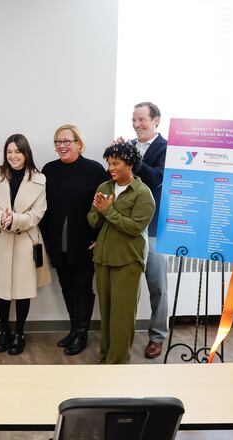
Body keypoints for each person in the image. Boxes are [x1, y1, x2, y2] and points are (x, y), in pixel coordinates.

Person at [0, 134, 51, 356]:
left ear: (26, 153)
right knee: (1, 289)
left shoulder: (39, 179)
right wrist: (1, 218)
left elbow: (38, 213)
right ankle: (4, 331)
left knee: (23, 289)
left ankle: (19, 332)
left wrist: (15, 220)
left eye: (18, 151)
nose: (13, 156)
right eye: (9, 152)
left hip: (25, 239)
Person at [40, 124, 109, 356]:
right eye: (58, 142)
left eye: (67, 141)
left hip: (85, 241)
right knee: (67, 287)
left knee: (83, 288)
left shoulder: (95, 170)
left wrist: (101, 238)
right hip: (57, 242)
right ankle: (73, 329)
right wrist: (45, 240)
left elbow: (107, 207)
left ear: (79, 143)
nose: (62, 146)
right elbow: (43, 208)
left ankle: (82, 333)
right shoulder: (49, 170)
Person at [88, 142, 155, 364]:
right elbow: (92, 221)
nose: (111, 168)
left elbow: (135, 227)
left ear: (131, 164)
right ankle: (105, 357)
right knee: (106, 314)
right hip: (103, 259)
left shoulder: (143, 194)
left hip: (128, 261)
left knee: (122, 317)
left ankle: (117, 364)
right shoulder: (104, 187)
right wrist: (98, 212)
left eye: (116, 163)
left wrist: (109, 211)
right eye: (109, 163)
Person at [114, 102, 169, 359]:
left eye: (142, 120)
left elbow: (156, 179)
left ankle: (157, 337)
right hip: (129, 228)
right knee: (127, 286)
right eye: (134, 120)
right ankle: (123, 335)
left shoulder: (166, 148)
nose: (137, 125)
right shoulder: (131, 148)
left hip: (155, 228)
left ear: (156, 119)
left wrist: (132, 158)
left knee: (157, 287)